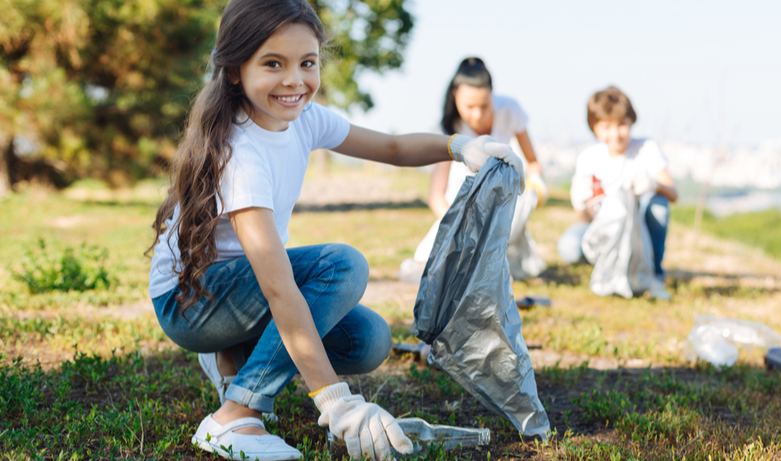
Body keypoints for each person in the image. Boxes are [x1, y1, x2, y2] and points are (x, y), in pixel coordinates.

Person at [146, 2, 525, 460]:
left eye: (307, 63)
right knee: (342, 266)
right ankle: (234, 414)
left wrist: (460, 146)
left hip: (237, 293)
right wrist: (336, 402)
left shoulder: (303, 120)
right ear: (233, 71)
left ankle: (234, 357)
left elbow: (389, 146)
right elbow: (279, 287)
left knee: (369, 340)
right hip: (190, 302)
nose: (294, 80)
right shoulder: (239, 151)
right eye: (273, 64)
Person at [405, 57, 547, 282]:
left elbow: (532, 162)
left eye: (484, 105)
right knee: (428, 262)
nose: (477, 115)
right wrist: (462, 227)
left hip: (502, 208)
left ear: (492, 95)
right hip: (462, 211)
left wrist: (536, 184)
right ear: (455, 94)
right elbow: (436, 196)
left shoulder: (509, 109)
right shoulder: (448, 129)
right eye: (470, 107)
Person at [557, 86, 677, 282]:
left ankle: (654, 270)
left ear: (631, 122)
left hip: (640, 229)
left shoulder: (646, 148)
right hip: (605, 229)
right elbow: (587, 219)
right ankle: (609, 264)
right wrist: (579, 204)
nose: (616, 134)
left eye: (622, 124)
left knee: (658, 205)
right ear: (594, 128)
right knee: (569, 246)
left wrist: (654, 184)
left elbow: (673, 194)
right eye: (606, 126)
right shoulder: (589, 158)